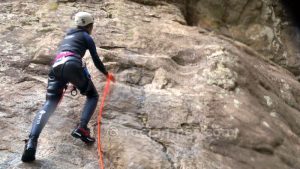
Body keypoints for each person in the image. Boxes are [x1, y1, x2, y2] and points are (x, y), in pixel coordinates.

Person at [21, 12, 115, 162]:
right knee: (93, 95)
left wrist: (70, 79)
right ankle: (82, 128)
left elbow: (64, 58)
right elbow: (96, 60)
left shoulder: (67, 36)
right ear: (89, 26)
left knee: (50, 103)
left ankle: (32, 142)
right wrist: (106, 74)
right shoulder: (86, 36)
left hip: (57, 67)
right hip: (72, 64)